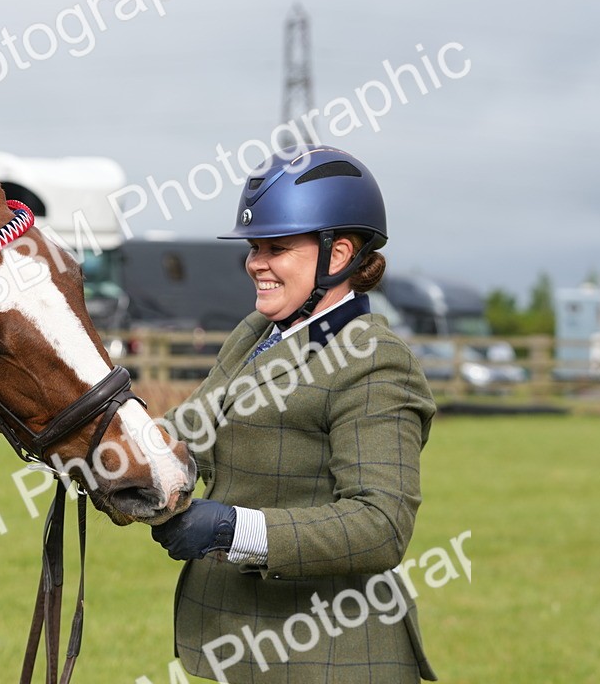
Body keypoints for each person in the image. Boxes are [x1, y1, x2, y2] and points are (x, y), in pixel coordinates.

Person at [150, 147, 438, 683]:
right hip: (242, 642)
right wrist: (92, 435)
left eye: (276, 247)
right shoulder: (257, 333)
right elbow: (188, 432)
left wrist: (235, 529)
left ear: (339, 254)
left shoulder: (375, 360)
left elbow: (381, 525)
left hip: (330, 657)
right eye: (254, 247)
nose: (255, 263)